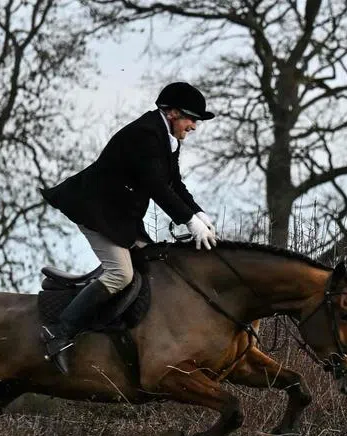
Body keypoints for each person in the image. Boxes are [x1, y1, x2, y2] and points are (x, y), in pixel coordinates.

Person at [39, 82, 219, 373]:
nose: (195, 126)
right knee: (120, 274)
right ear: (171, 112)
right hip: (95, 212)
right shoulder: (145, 135)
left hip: (121, 217)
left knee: (156, 263)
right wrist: (187, 221)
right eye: (191, 118)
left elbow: (175, 184)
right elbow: (157, 188)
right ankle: (58, 332)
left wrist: (199, 213)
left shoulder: (165, 137)